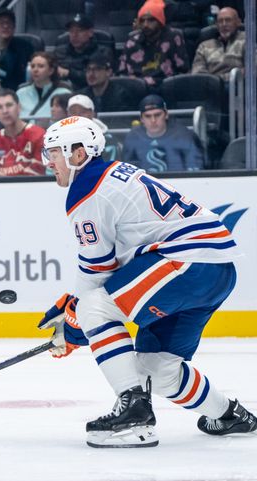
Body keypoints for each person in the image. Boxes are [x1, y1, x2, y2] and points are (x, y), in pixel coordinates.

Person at [38, 116, 256, 448]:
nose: (47, 161)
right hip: (215, 269)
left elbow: (97, 274)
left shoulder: (86, 189)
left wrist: (76, 321)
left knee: (94, 307)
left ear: (78, 153)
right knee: (159, 369)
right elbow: (111, 268)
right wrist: (73, 308)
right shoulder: (110, 175)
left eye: (53, 152)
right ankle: (229, 415)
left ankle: (134, 412)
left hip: (186, 263)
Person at [122, 94, 205, 172]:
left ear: (166, 115)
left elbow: (195, 170)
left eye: (157, 115)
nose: (153, 120)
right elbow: (128, 171)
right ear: (141, 119)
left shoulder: (185, 136)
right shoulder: (132, 138)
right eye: (148, 116)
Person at [118, 0, 189, 88]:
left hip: (166, 88)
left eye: (151, 20)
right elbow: (122, 73)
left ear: (160, 22)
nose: (145, 25)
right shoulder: (132, 42)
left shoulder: (173, 37)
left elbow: (183, 70)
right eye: (142, 21)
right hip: (138, 89)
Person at [0, 89, 45, 177]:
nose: (5, 111)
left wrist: (7, 180)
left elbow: (38, 169)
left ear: (19, 107)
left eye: (9, 105)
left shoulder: (38, 134)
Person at [54, 13, 114, 90]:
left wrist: (69, 73)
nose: (74, 35)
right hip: (64, 92)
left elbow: (96, 78)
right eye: (71, 31)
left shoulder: (103, 52)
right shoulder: (59, 52)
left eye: (79, 31)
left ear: (90, 33)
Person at [192, 7, 245, 81]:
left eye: (228, 20)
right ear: (216, 25)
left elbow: (252, 69)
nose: (224, 24)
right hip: (211, 89)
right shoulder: (204, 46)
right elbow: (197, 74)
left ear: (238, 22)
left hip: (239, 88)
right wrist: (216, 82)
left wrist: (219, 80)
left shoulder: (247, 41)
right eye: (220, 21)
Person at [16, 51, 71, 122]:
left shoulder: (64, 93)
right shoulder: (20, 93)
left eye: (40, 66)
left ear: (51, 70)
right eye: (32, 66)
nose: (35, 70)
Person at [66, 94, 120, 161]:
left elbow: (110, 166)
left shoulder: (107, 139)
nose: (78, 116)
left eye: (83, 112)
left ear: (92, 113)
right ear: (68, 115)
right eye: (73, 112)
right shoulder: (60, 137)